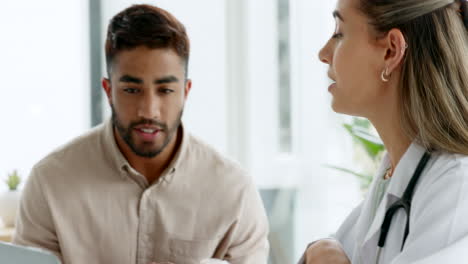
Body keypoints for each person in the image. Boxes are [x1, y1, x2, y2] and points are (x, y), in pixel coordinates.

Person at [13, 4, 269, 264]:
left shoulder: (234, 191)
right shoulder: (50, 182)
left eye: (165, 90)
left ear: (186, 91)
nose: (149, 110)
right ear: (108, 90)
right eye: (132, 90)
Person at [299, 0, 468, 263]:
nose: (323, 53)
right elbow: (324, 249)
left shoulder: (457, 188)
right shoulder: (395, 175)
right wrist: (321, 249)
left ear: (391, 51)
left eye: (339, 33)